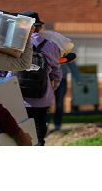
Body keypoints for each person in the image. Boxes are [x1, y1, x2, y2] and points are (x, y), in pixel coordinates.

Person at [15, 11, 62, 146]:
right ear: (38, 27)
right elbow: (57, 72)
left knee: (18, 134)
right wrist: (53, 87)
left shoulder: (13, 44)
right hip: (41, 97)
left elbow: (1, 71)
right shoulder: (51, 46)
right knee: (39, 134)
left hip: (17, 96)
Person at [53, 61, 82, 131]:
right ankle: (44, 123)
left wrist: (78, 79)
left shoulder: (65, 52)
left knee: (59, 103)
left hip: (61, 80)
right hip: (48, 79)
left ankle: (57, 124)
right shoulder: (45, 50)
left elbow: (72, 66)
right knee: (46, 103)